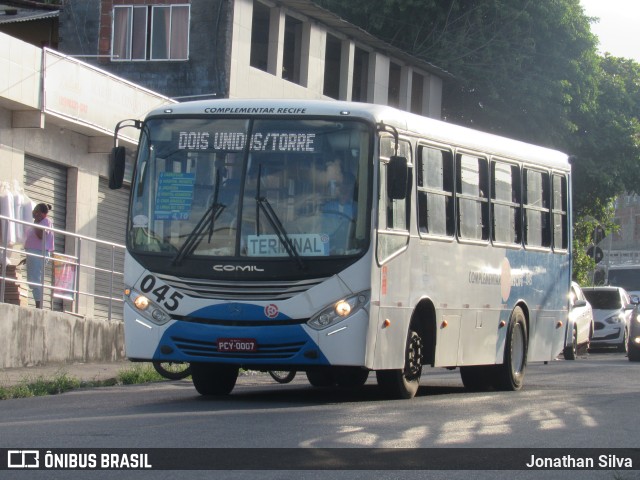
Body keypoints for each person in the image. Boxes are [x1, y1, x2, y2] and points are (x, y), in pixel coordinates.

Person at [24, 203, 54, 308]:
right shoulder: (39, 222)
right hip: (34, 253)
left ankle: (39, 305)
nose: (33, 213)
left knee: (35, 279)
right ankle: (38, 304)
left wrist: (36, 222)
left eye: (36, 211)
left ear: (40, 213)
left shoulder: (46, 221)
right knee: (32, 279)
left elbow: (41, 235)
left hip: (38, 253)